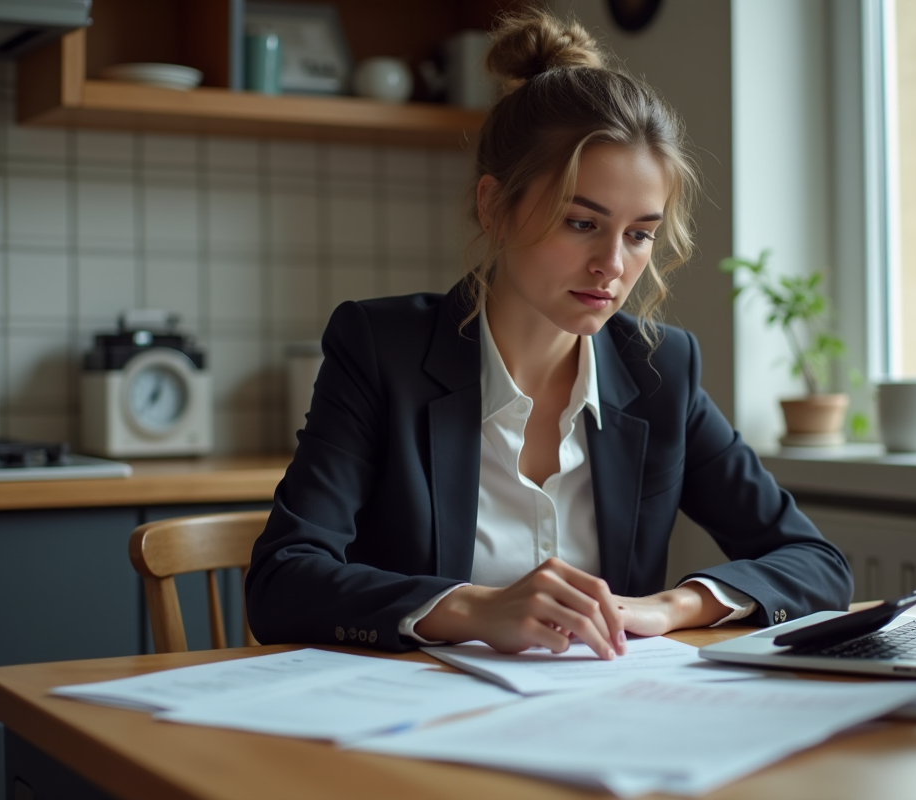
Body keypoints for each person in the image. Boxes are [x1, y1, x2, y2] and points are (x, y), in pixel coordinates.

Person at [246, 10, 853, 660]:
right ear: (493, 206)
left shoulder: (658, 372)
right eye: (581, 223)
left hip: (594, 732)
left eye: (640, 234)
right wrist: (474, 609)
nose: (613, 267)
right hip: (413, 729)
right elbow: (283, 581)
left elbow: (816, 563)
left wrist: (670, 607)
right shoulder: (380, 349)